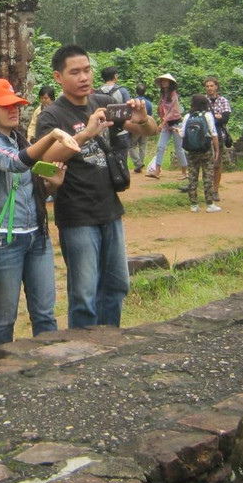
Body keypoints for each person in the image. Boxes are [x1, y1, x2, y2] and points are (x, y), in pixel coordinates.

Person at [37, 44, 159, 328]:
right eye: (75, 72)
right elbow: (43, 159)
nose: (84, 77)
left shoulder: (101, 103)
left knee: (116, 285)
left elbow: (149, 129)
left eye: (87, 70)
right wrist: (85, 134)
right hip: (77, 215)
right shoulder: (52, 116)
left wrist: (143, 119)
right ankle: (82, 354)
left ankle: (109, 343)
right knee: (84, 294)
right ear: (58, 77)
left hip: (110, 210)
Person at [0, 78, 79, 349]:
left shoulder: (20, 139)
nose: (14, 110)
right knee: (5, 317)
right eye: (5, 106)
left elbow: (35, 183)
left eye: (16, 104)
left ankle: (46, 370)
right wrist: (52, 136)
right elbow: (16, 163)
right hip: (4, 239)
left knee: (44, 314)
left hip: (36, 235)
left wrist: (54, 182)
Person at [181, 94, 221, 213]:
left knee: (192, 177)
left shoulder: (188, 116)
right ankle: (209, 204)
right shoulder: (207, 115)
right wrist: (217, 150)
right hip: (205, 150)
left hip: (192, 151)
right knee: (207, 176)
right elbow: (213, 133)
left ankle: (194, 204)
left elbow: (182, 134)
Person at [149, 73, 187, 180]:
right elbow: (163, 110)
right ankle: (157, 171)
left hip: (176, 124)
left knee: (178, 149)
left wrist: (163, 122)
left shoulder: (174, 94)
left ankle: (184, 171)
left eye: (165, 81)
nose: (163, 82)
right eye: (162, 81)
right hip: (166, 125)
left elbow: (174, 111)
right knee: (160, 147)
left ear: (170, 83)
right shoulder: (163, 95)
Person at [204, 77, 232, 200]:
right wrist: (217, 117)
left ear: (216, 86)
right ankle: (208, 189)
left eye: (211, 86)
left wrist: (212, 117)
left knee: (217, 163)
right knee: (205, 163)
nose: (209, 88)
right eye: (207, 86)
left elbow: (225, 118)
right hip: (205, 136)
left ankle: (215, 190)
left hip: (220, 136)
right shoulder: (203, 101)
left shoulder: (223, 101)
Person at [129, 82, 154, 172]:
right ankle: (141, 163)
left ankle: (138, 163)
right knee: (142, 146)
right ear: (145, 92)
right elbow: (150, 116)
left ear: (136, 91)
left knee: (131, 145)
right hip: (145, 126)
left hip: (136, 127)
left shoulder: (133, 102)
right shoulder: (149, 103)